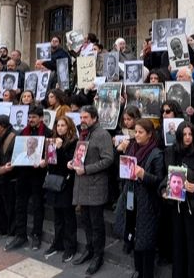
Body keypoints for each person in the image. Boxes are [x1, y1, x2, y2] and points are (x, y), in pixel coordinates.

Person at [114, 118, 164, 278]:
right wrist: (120, 153)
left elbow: (159, 180)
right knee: (133, 237)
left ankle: (146, 273)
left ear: (149, 134)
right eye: (135, 132)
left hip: (147, 204)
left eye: (140, 132)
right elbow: (122, 171)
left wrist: (144, 175)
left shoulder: (156, 153)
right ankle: (138, 271)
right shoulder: (131, 148)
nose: (137, 135)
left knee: (146, 242)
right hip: (130, 198)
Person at [69, 105, 114, 275]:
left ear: (94, 118)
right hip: (82, 184)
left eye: (86, 117)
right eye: (81, 118)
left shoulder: (102, 134)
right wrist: (73, 162)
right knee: (85, 221)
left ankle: (98, 256)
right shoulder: (84, 133)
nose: (82, 121)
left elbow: (108, 159)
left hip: (95, 185)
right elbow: (80, 155)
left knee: (96, 224)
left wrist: (86, 169)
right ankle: (89, 249)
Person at [5, 105, 51, 251]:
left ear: (41, 118)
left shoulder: (48, 133)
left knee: (37, 206)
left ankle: (36, 235)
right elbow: (17, 152)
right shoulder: (22, 133)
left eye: (34, 117)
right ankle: (20, 235)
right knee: (20, 205)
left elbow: (51, 155)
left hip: (38, 175)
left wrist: (45, 162)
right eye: (29, 117)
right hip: (23, 174)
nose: (31, 120)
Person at [44, 116, 78, 263]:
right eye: (58, 126)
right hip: (54, 181)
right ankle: (57, 243)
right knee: (57, 216)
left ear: (69, 127)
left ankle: (70, 246)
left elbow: (69, 164)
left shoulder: (73, 143)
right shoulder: (52, 141)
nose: (60, 128)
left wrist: (59, 149)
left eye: (63, 125)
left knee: (68, 217)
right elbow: (51, 163)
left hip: (66, 183)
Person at [0, 115, 17, 238]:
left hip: (9, 178)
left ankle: (11, 232)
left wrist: (4, 168)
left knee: (9, 206)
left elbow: (14, 159)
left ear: (2, 126)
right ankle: (2, 229)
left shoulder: (13, 137)